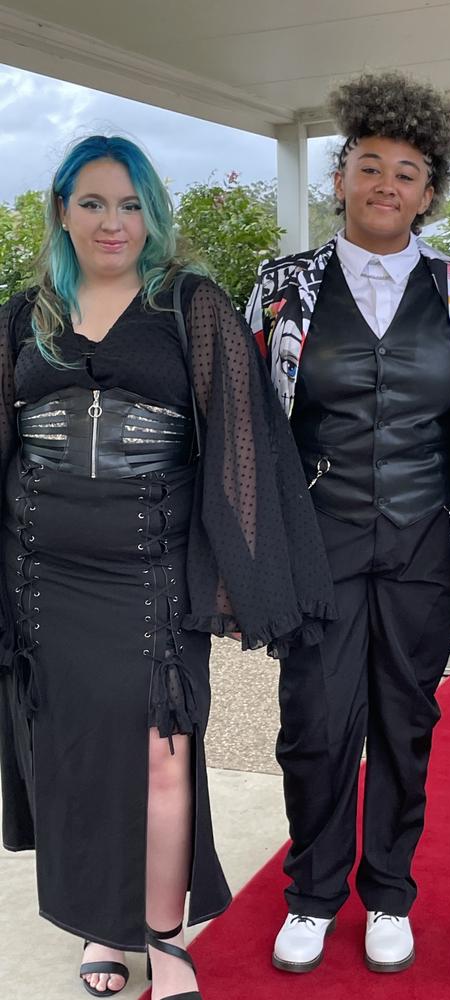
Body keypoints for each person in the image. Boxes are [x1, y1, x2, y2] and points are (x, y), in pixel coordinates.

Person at [0, 135, 335, 999]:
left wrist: (244, 580)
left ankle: (164, 933)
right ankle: (99, 930)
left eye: (131, 203)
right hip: (45, 579)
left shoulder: (191, 303)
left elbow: (242, 446)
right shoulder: (22, 315)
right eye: (94, 203)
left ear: (153, 212)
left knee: (163, 753)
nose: (114, 222)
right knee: (73, 754)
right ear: (62, 211)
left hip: (151, 576)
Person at [246, 72, 450, 974]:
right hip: (320, 542)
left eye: (409, 171)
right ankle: (312, 893)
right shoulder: (283, 288)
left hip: (426, 542)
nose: (388, 183)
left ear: (430, 194)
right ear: (341, 175)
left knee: (404, 721)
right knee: (313, 724)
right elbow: (250, 429)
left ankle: (389, 891)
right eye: (371, 165)